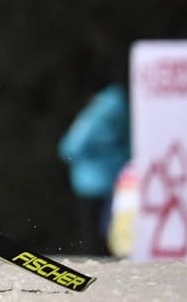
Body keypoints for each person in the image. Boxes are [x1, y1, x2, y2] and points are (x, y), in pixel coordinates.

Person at [57, 83, 130, 256]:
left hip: (89, 183)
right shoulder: (122, 110)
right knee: (109, 228)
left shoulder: (92, 116)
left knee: (89, 233)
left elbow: (69, 148)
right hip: (116, 180)